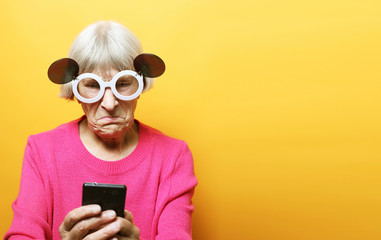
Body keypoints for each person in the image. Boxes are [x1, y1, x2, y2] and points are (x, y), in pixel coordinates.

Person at [5, 21, 197, 240]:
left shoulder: (173, 156)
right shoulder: (42, 151)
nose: (109, 102)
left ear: (140, 86)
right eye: (93, 85)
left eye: (123, 83)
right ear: (75, 91)